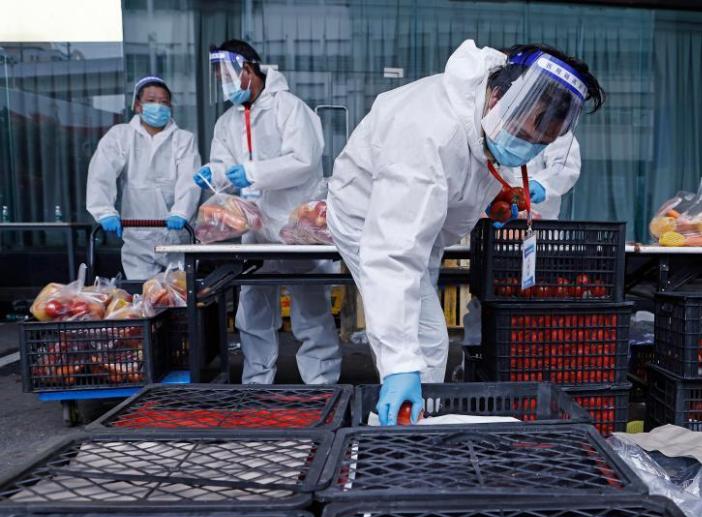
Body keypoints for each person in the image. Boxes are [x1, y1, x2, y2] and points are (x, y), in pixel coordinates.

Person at [327, 40, 604, 425]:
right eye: (523, 136)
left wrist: (495, 196)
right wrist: (399, 366)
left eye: (539, 144)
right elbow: (392, 253)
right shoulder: (426, 131)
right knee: (423, 341)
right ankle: (400, 430)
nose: (525, 150)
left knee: (424, 331)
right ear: (497, 98)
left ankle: (411, 424)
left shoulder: (484, 113)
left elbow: (473, 166)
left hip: (425, 229)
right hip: (368, 221)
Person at [195, 40, 341, 385]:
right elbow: (224, 166)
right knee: (253, 308)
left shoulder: (289, 108)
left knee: (310, 306)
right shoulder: (227, 122)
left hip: (296, 224)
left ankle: (322, 385)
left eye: (226, 77)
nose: (224, 85)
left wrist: (253, 172)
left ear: (248, 70)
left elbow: (304, 160)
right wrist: (213, 173)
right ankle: (256, 383)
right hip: (255, 229)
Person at [86, 76, 200, 279]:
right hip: (137, 235)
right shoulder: (120, 136)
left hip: (176, 234)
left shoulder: (183, 139)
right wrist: (104, 211)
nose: (158, 106)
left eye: (164, 102)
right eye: (151, 100)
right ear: (138, 105)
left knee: (179, 293)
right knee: (143, 293)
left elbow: (189, 179)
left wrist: (181, 212)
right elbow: (101, 172)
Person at [497, 131, 581, 220]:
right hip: (497, 213)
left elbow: (564, 165)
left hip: (541, 221)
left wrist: (543, 183)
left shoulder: (556, 127)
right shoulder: (493, 124)